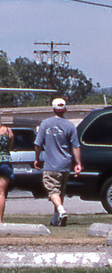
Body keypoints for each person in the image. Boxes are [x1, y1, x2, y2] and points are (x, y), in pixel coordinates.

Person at [35, 97, 83, 227]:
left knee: (52, 191)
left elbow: (38, 144)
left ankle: (61, 211)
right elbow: (75, 146)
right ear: (65, 109)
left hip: (51, 165)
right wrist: (78, 163)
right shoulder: (70, 126)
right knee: (60, 192)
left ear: (53, 109)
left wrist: (37, 158)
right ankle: (55, 219)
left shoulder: (45, 124)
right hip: (65, 165)